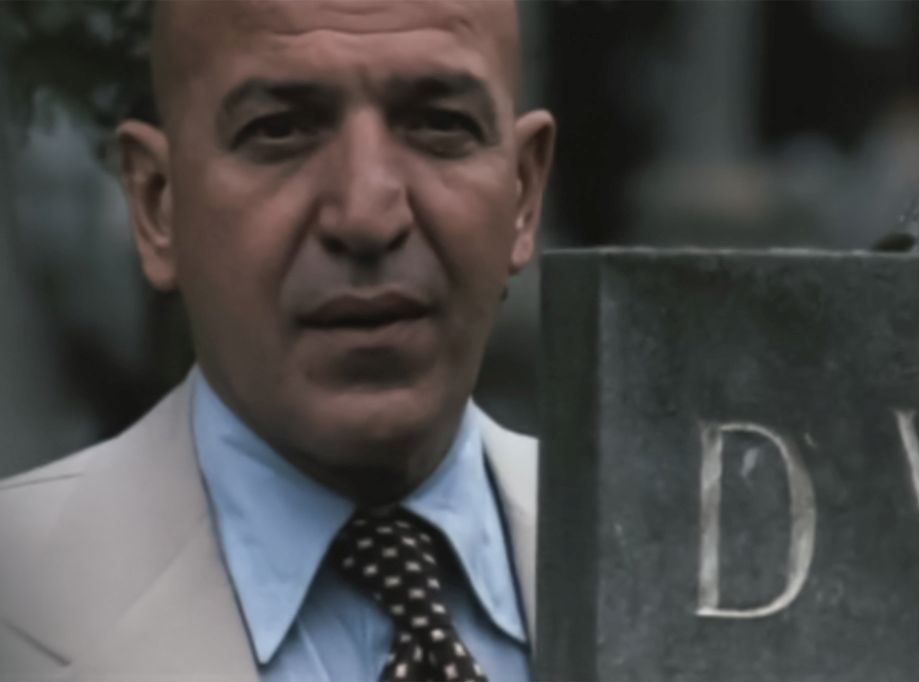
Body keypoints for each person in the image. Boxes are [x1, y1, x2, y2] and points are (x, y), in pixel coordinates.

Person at [0, 0, 555, 680]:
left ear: (523, 194)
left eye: (440, 125)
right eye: (280, 130)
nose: (366, 214)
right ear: (157, 204)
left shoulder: (663, 548)